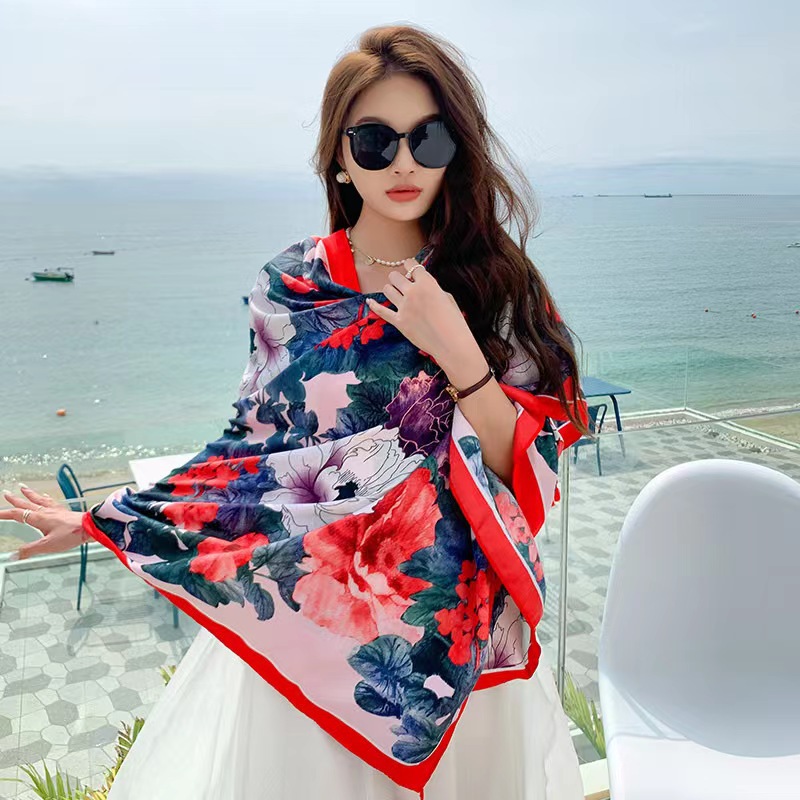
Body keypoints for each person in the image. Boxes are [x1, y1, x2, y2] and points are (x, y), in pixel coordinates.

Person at [1, 23, 590, 800]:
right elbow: (251, 456)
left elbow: (529, 479)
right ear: (338, 156)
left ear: (458, 148)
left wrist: (459, 353)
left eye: (429, 139)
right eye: (375, 141)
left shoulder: (498, 287)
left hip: (458, 643)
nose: (404, 163)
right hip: (315, 632)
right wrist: (102, 519)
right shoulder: (292, 285)